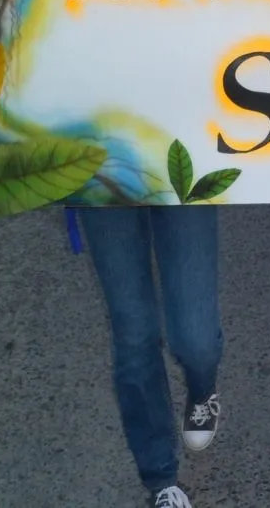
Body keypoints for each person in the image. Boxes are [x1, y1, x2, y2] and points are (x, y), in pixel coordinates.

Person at [81, 205, 223, 508]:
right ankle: (161, 481)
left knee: (197, 338)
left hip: (184, 164)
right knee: (133, 334)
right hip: (103, 172)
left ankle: (202, 389)